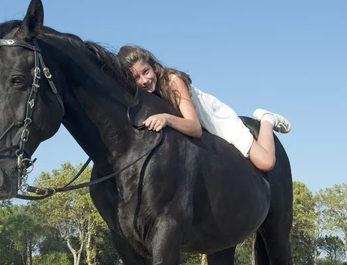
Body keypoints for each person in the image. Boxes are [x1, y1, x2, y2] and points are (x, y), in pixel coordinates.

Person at [117, 45, 291, 171]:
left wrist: (166, 118)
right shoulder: (143, 94)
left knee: (265, 162)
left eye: (145, 71)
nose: (144, 80)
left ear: (152, 66)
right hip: (197, 127)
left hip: (213, 118)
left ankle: (267, 119)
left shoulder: (172, 81)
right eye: (135, 78)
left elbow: (195, 127)